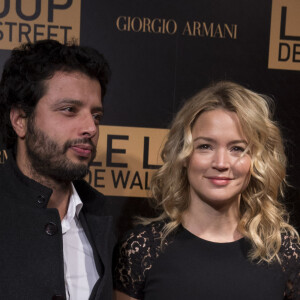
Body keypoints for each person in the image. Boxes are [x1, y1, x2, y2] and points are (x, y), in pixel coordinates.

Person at [114, 81, 300, 300]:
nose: (221, 163)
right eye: (205, 146)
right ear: (184, 155)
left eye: (237, 149)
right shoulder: (141, 249)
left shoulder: (282, 249)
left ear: (256, 160)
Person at [0, 39, 114, 300]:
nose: (91, 128)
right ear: (20, 121)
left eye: (96, 116)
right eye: (69, 110)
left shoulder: (101, 217)